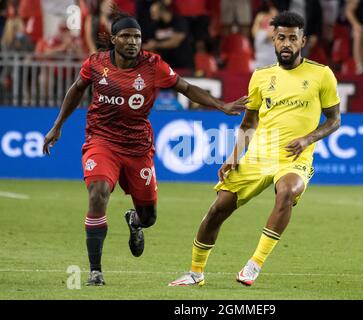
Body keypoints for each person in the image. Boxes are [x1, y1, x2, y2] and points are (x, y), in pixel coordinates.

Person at [42, 13, 248, 286]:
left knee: (149, 217)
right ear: (114, 39)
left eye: (137, 36)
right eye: (126, 36)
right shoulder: (96, 64)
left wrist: (221, 105)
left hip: (138, 147)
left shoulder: (153, 65)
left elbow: (185, 87)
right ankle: (95, 271)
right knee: (98, 193)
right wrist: (57, 125)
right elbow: (77, 88)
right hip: (101, 141)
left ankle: (135, 221)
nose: (132, 41)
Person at [169, 11, 341, 287]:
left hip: (293, 157)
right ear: (273, 40)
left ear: (303, 41)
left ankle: (254, 264)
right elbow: (249, 122)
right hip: (258, 155)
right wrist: (233, 157)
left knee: (286, 192)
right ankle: (195, 272)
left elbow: (334, 120)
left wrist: (308, 139)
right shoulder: (261, 77)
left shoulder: (322, 75)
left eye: (293, 39)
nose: (287, 43)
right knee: (217, 210)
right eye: (281, 38)